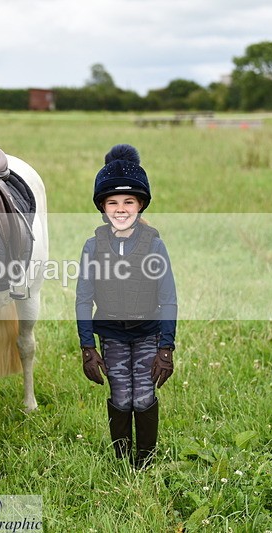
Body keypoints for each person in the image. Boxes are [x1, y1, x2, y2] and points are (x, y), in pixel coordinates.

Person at [75, 144, 177, 469]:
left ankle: (144, 463)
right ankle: (122, 464)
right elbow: (83, 298)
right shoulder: (92, 247)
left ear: (140, 204)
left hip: (148, 334)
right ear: (103, 207)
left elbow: (169, 298)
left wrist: (166, 347)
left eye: (129, 201)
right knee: (121, 398)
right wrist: (87, 347)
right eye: (113, 202)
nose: (121, 209)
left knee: (143, 398)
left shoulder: (155, 245)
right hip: (112, 336)